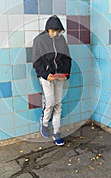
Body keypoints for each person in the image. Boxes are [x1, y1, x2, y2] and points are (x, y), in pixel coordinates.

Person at [32, 15, 72, 146]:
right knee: (50, 102)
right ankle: (44, 123)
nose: (54, 34)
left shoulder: (61, 40)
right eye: (52, 31)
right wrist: (45, 74)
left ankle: (56, 131)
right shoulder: (39, 40)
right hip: (46, 76)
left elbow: (67, 58)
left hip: (59, 76)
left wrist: (66, 74)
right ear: (47, 29)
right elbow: (36, 61)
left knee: (58, 103)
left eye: (57, 31)